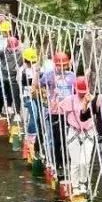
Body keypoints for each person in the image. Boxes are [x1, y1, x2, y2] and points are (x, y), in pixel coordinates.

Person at [39, 51, 75, 179]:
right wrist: (45, 96)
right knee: (56, 139)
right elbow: (40, 85)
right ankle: (57, 163)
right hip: (54, 111)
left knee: (67, 139)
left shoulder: (72, 76)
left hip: (69, 113)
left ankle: (66, 163)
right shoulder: (49, 75)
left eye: (64, 65)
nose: (62, 68)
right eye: (59, 65)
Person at [61, 76, 96, 197]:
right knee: (75, 162)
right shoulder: (69, 100)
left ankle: (83, 183)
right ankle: (75, 185)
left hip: (88, 132)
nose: (82, 95)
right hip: (74, 132)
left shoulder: (93, 100)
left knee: (85, 162)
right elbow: (59, 109)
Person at [16, 47, 40, 156]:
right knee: (34, 114)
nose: (32, 63)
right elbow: (24, 83)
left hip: (37, 96)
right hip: (27, 96)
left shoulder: (37, 68)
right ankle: (31, 136)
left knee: (38, 116)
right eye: (30, 61)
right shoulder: (22, 70)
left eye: (33, 61)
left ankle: (35, 136)